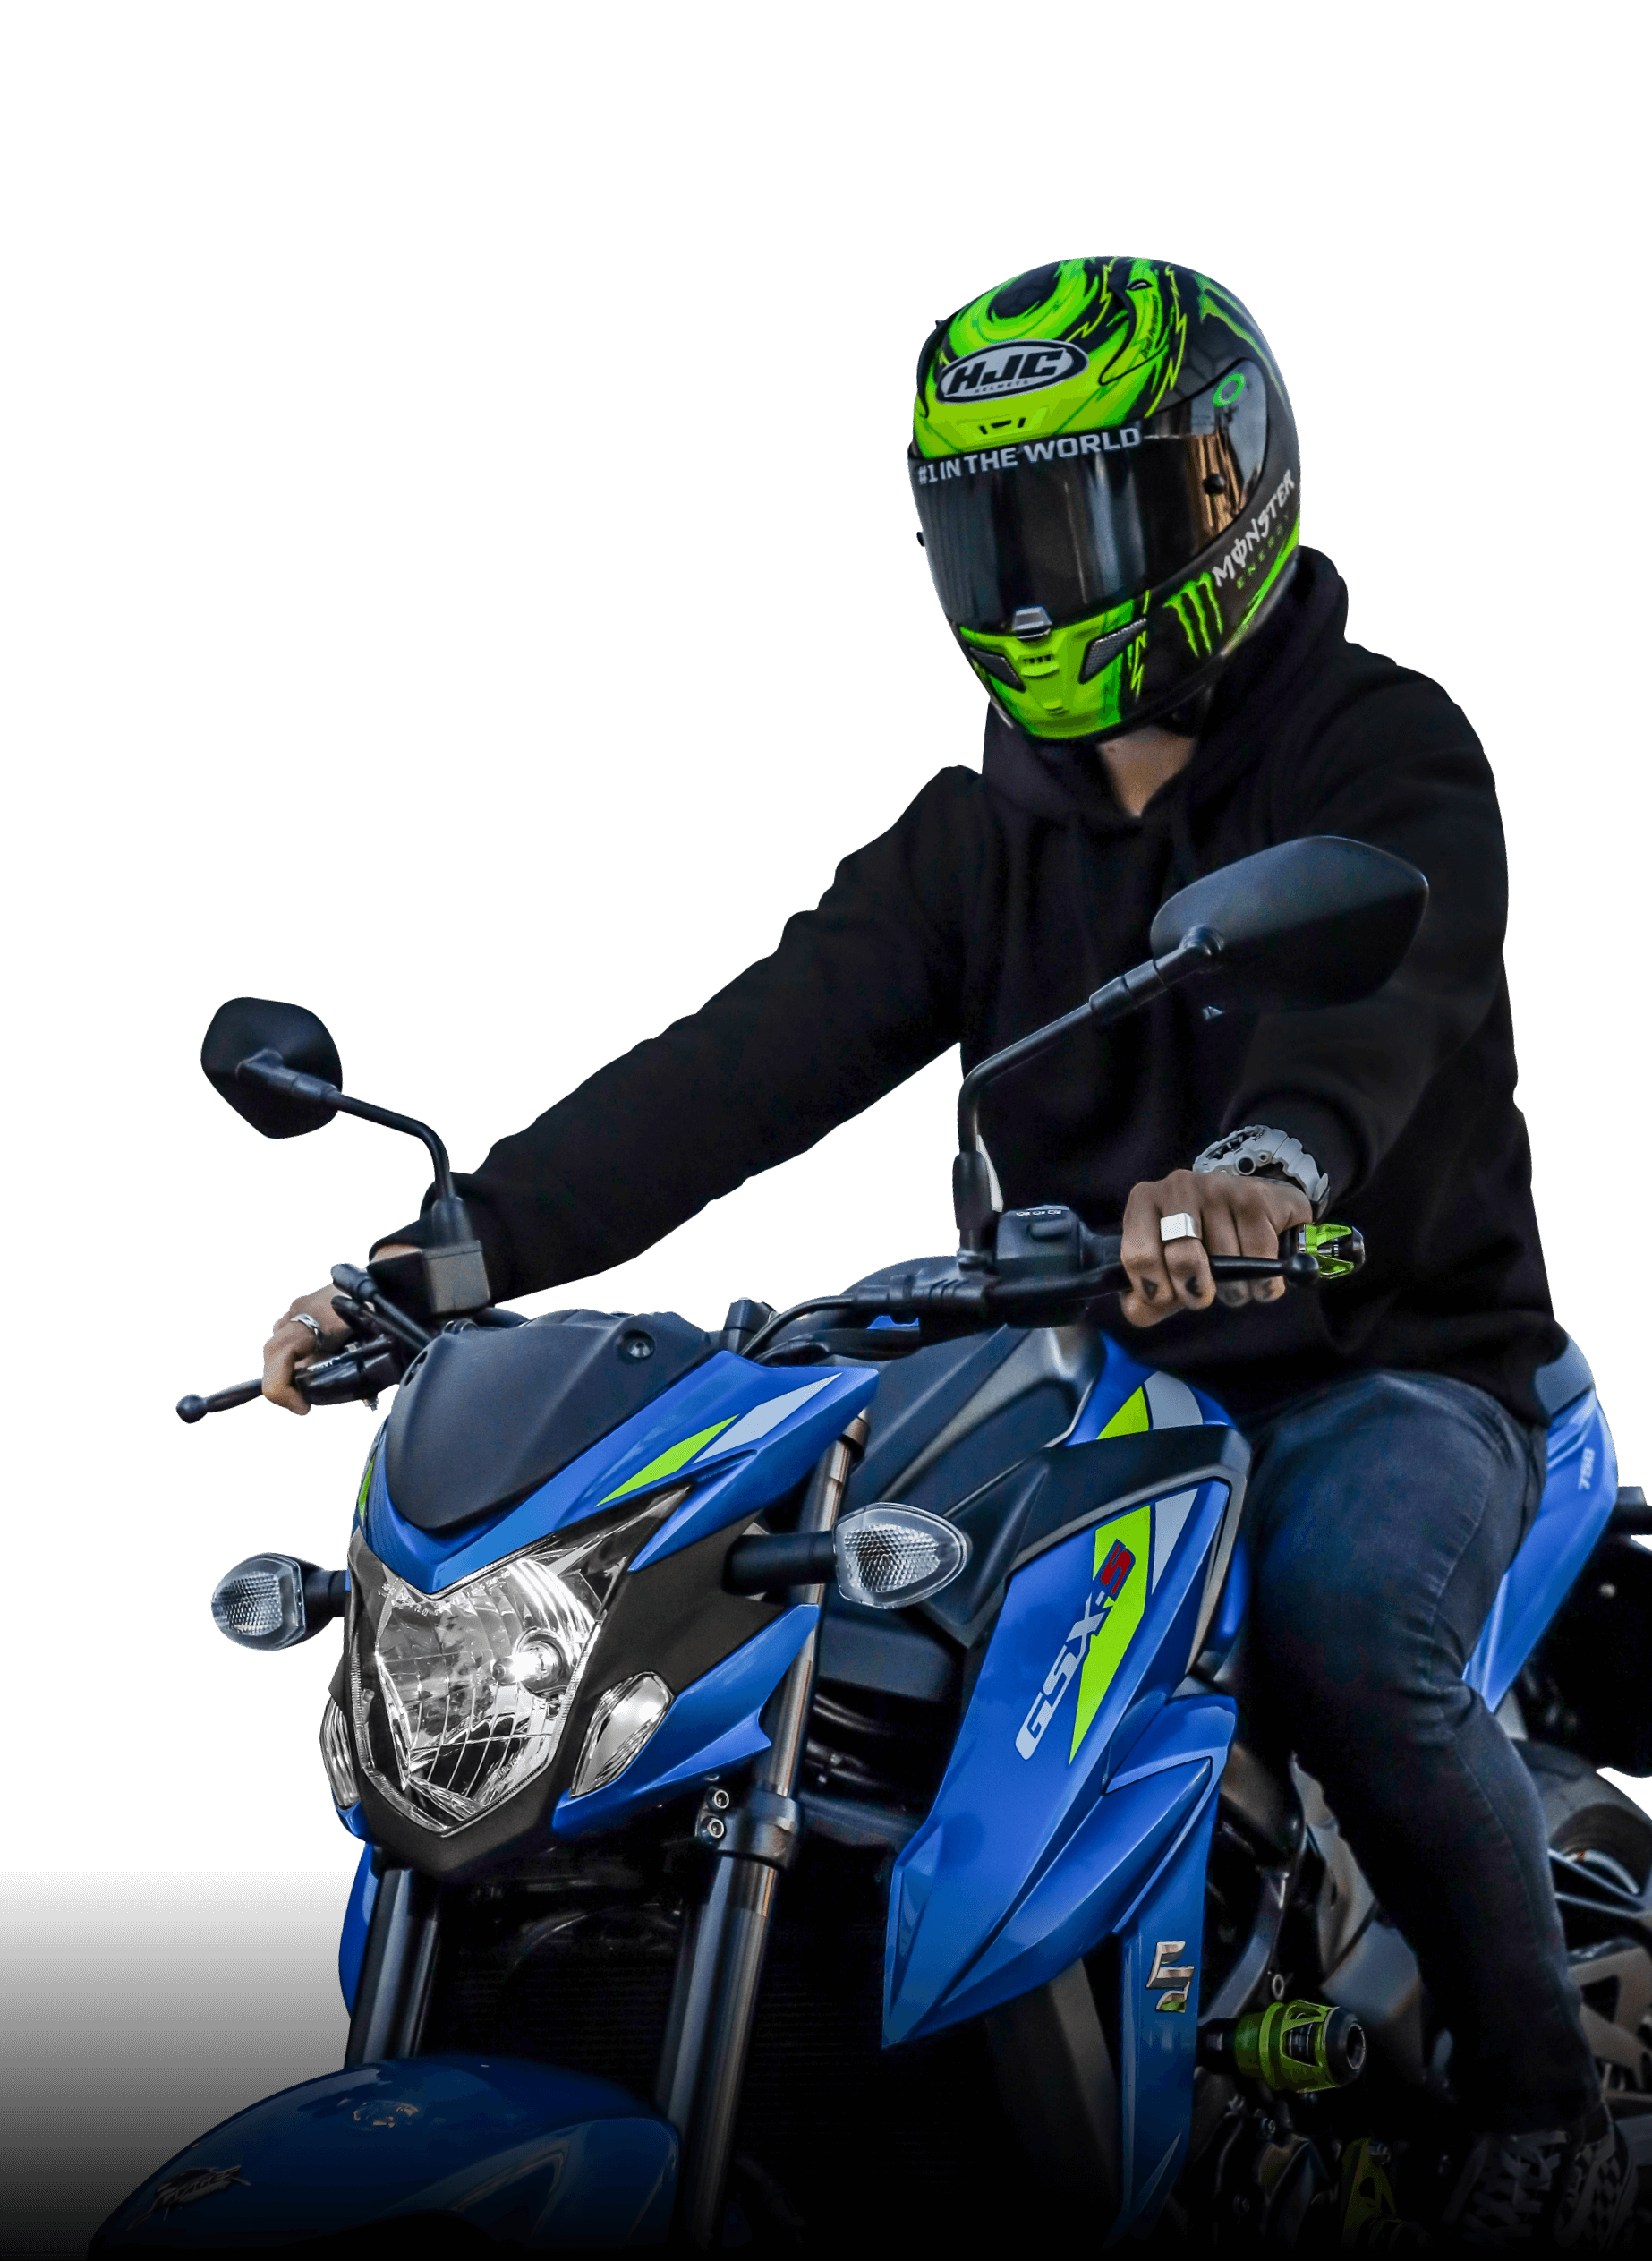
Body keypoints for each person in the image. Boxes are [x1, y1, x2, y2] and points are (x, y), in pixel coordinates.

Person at [261, 258, 1631, 2245]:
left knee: (1348, 1621)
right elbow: (738, 1066)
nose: (1038, 586)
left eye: (1083, 520)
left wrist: (1263, 1165)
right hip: (1067, 1380)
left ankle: (1542, 2111)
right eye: (999, 533)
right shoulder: (970, 836)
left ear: (1226, 495)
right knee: (797, 1648)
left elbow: (1383, 1001)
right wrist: (442, 1258)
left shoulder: (1382, 748)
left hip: (1383, 1370)